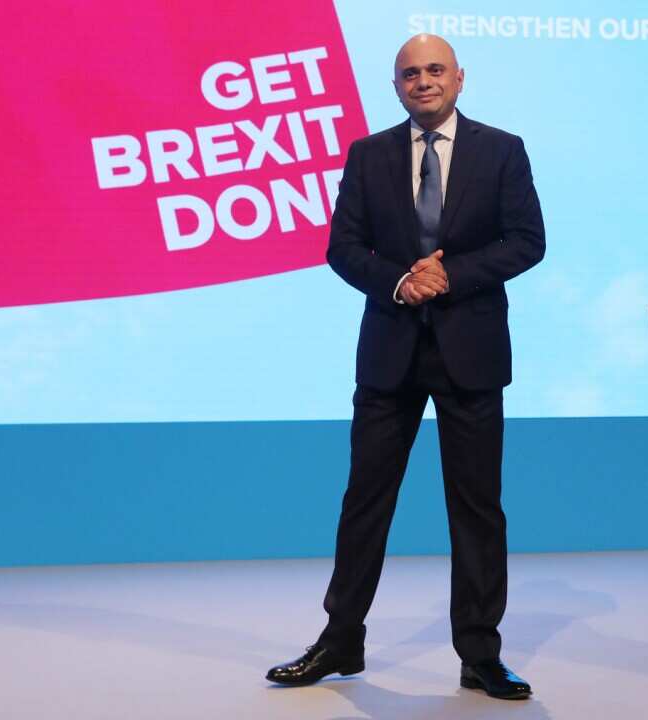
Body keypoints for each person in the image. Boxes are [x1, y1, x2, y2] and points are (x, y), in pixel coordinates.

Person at [266, 33, 545, 700]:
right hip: (390, 352)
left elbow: (527, 241)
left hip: (470, 353)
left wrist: (449, 277)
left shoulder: (501, 151)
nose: (423, 81)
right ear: (396, 85)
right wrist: (400, 282)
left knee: (477, 508)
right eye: (410, 73)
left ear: (459, 78)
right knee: (365, 500)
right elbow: (344, 248)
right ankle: (340, 642)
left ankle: (480, 654)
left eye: (435, 70)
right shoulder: (368, 156)